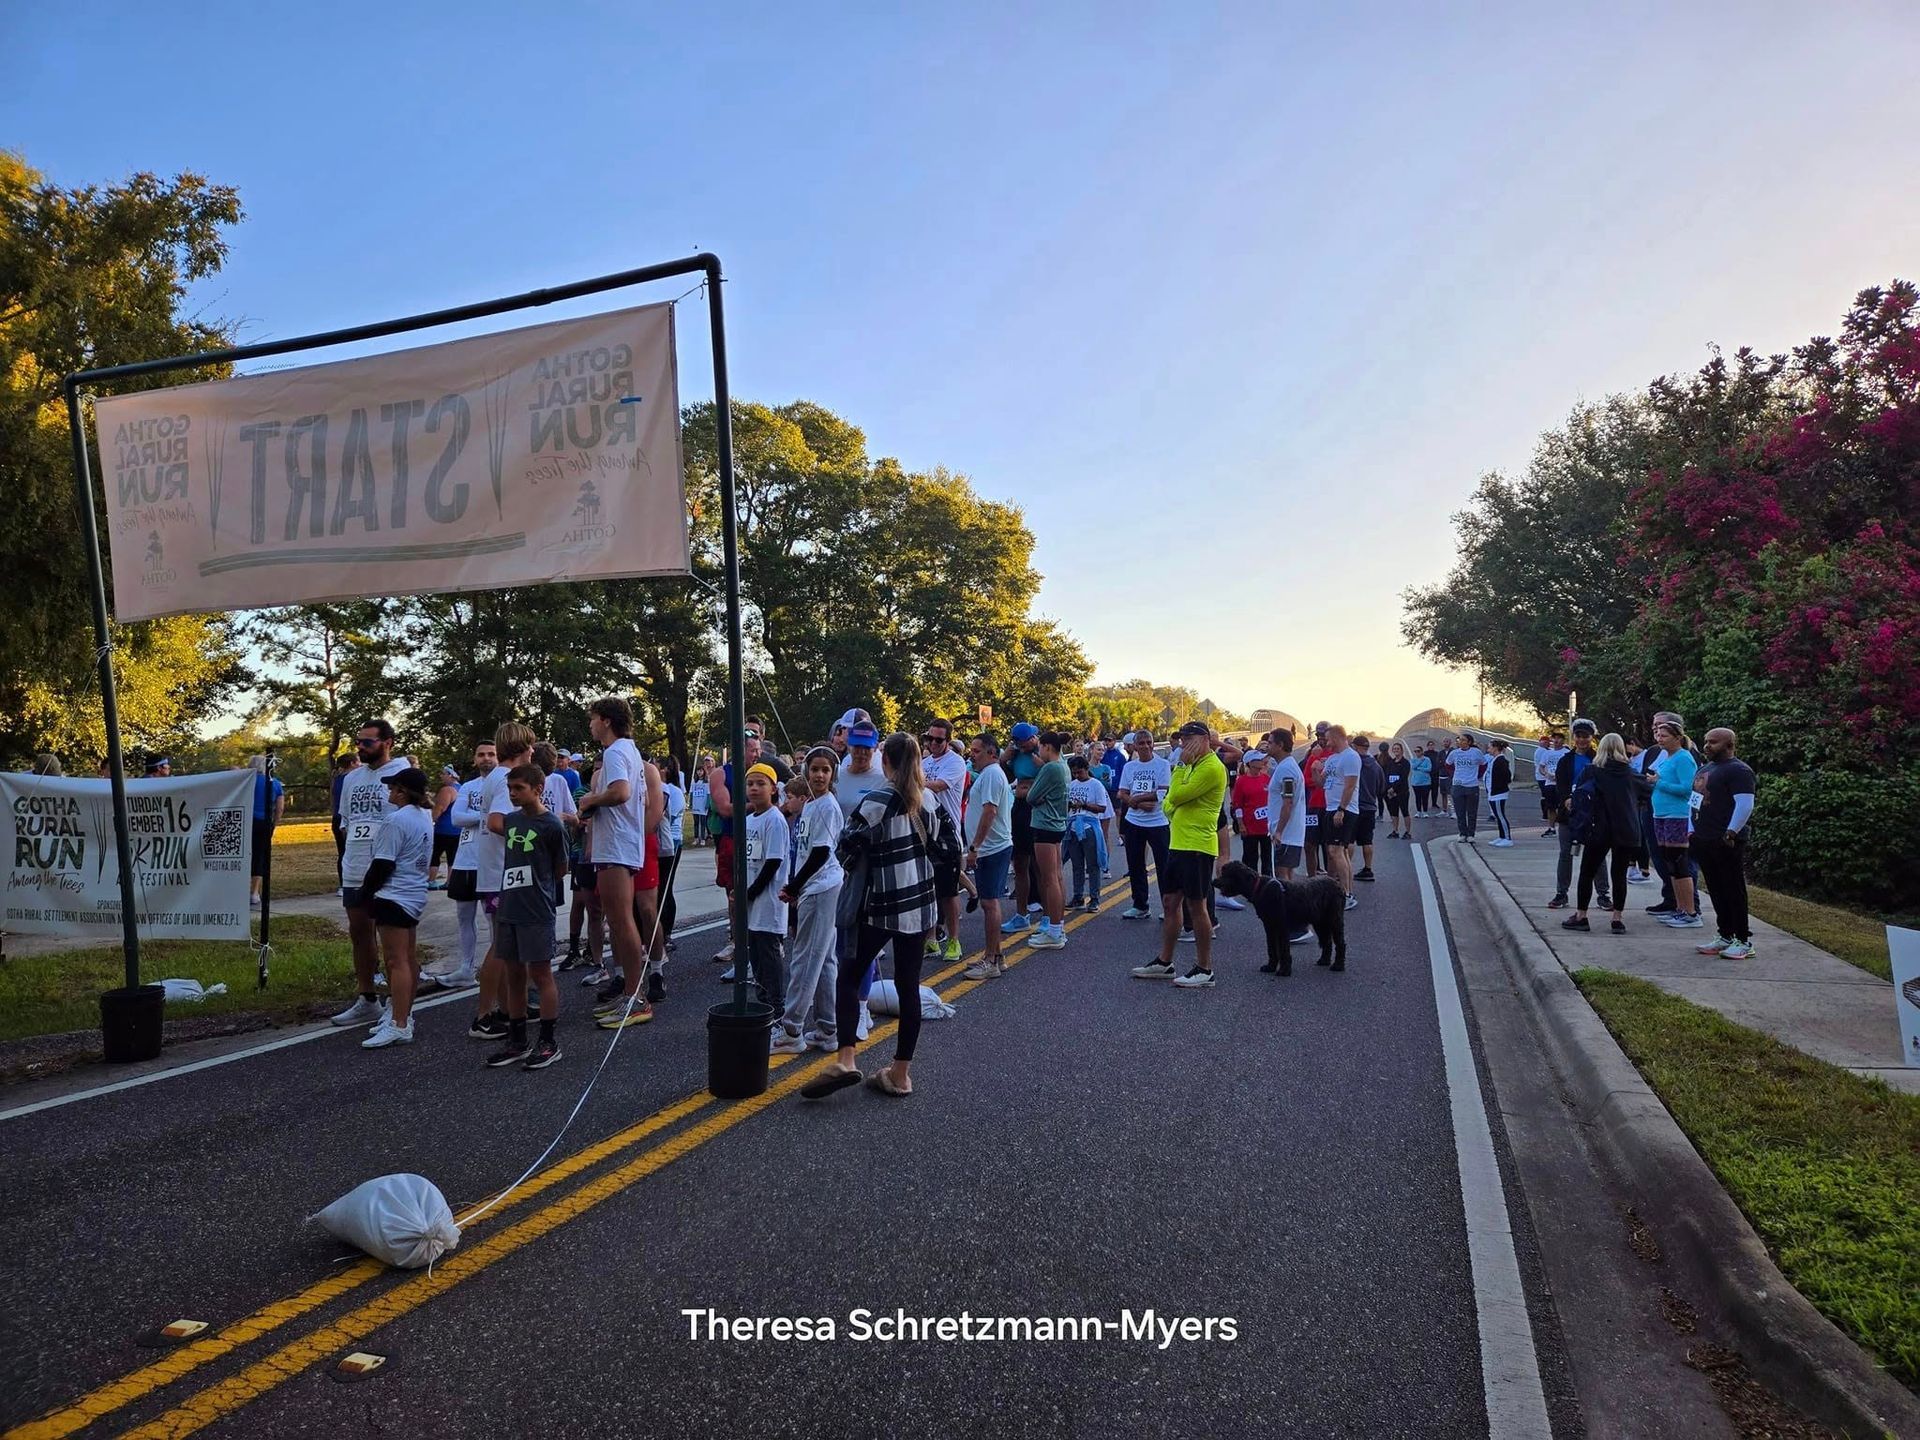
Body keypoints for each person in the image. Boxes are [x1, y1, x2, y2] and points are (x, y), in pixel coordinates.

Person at [802, 732, 947, 1100]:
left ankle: (847, 1059)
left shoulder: (877, 801)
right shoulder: (929, 800)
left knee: (850, 973)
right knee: (908, 985)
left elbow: (845, 850)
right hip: (920, 903)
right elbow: (950, 847)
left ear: (886, 762)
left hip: (881, 904)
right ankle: (900, 1073)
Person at [483, 763, 570, 1069]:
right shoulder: (511, 821)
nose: (513, 794)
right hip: (510, 906)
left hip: (536, 909)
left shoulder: (552, 825)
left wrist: (540, 881)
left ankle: (548, 1040)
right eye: (510, 789)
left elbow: (561, 868)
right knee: (514, 974)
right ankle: (517, 1039)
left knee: (540, 974)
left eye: (518, 788)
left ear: (538, 789)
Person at [576, 698, 655, 1029]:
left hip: (617, 847)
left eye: (593, 719)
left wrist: (591, 799)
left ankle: (636, 998)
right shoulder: (631, 751)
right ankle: (631, 993)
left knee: (621, 920)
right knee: (619, 919)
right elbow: (642, 798)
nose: (591, 725)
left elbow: (621, 792)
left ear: (606, 721)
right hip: (623, 843)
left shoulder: (614, 752)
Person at [1130, 721, 1228, 987]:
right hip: (1179, 843)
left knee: (1197, 907)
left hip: (1197, 846)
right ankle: (1165, 961)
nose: (1183, 744)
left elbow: (1177, 795)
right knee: (1170, 903)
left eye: (1189, 738)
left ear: (1205, 739)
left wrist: (1181, 769)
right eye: (1182, 739)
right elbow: (1170, 804)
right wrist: (1174, 799)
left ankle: (1204, 968)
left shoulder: (1210, 767)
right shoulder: (1194, 765)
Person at [330, 720, 410, 1029]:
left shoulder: (402, 771)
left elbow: (410, 819)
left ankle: (398, 1004)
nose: (360, 748)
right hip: (355, 866)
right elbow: (347, 821)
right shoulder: (351, 778)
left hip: (389, 868)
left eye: (368, 742)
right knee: (359, 932)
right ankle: (367, 999)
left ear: (388, 742)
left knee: (395, 943)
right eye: (358, 742)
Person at [356, 766, 434, 1049]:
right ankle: (404, 1015)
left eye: (392, 788)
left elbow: (383, 863)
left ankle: (399, 1023)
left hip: (395, 894)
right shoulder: (423, 816)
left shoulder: (395, 820)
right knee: (408, 958)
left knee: (395, 961)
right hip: (413, 892)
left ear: (402, 792)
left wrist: (366, 892)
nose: (389, 792)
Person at [774, 747, 845, 1052]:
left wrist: (794, 886)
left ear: (832, 775)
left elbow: (820, 853)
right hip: (813, 887)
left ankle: (792, 1029)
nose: (818, 775)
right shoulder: (811, 806)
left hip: (821, 887)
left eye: (825, 770)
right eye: (814, 769)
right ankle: (828, 1029)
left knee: (805, 958)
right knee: (825, 959)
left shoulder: (828, 806)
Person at [1690, 728, 1757, 960]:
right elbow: (1695, 803)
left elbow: (1745, 804)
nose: (1707, 746)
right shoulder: (1704, 769)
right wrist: (1691, 830)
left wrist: (1731, 831)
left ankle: (1743, 939)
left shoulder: (1739, 770)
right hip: (1703, 838)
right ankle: (1725, 934)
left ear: (1729, 745)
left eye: (1714, 742)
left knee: (1733, 889)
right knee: (1716, 889)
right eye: (1706, 741)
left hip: (1726, 840)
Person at [1559, 735, 1637, 935]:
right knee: (1619, 875)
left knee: (1587, 872)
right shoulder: (1630, 772)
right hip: (1625, 828)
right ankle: (1617, 919)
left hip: (1598, 827)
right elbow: (1644, 793)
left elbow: (1579, 797)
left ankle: (1581, 915)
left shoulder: (1592, 771)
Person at [962, 732, 1015, 981]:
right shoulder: (988, 775)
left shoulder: (992, 774)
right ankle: (996, 954)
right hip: (991, 847)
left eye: (977, 751)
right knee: (988, 901)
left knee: (989, 902)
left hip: (992, 848)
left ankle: (991, 960)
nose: (972, 755)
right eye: (971, 750)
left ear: (992, 753)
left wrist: (975, 847)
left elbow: (989, 812)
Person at [741, 763, 791, 1021]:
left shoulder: (774, 820)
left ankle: (776, 1007)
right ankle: (762, 1004)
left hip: (768, 899)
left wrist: (752, 891)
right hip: (750, 898)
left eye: (761, 784)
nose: (755, 789)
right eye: (750, 784)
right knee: (756, 956)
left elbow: (773, 862)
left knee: (769, 954)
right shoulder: (749, 820)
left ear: (773, 789)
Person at [920, 717, 969, 962]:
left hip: (946, 833)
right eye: (930, 738)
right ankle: (931, 939)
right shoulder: (924, 761)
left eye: (939, 740)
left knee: (949, 892)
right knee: (928, 890)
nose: (933, 743)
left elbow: (937, 786)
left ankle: (954, 940)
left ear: (948, 741)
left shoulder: (955, 762)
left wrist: (911, 784)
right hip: (924, 831)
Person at [1649, 718, 1702, 929]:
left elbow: (1687, 789)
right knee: (1669, 863)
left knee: (1679, 863)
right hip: (1661, 814)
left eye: (1664, 736)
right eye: (1658, 735)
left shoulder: (1683, 758)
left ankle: (1690, 912)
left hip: (1677, 815)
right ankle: (1679, 908)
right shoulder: (1666, 758)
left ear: (1678, 738)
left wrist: (1658, 782)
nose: (1659, 739)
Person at [1115, 730, 1172, 919]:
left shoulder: (1162, 765)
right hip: (1134, 821)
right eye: (1142, 743)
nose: (1146, 746)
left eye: (1149, 742)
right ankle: (1140, 905)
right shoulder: (1130, 767)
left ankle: (1168, 907)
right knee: (1136, 864)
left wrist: (1137, 799)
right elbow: (1121, 793)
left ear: (1153, 744)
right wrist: (1134, 802)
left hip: (1158, 822)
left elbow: (1163, 791)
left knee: (1164, 866)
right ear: (1136, 746)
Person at [1023, 731, 1072, 949]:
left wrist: (1036, 794)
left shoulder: (1050, 767)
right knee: (1058, 877)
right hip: (1058, 823)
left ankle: (1053, 931)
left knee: (1049, 878)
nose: (1038, 752)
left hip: (1044, 825)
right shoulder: (1064, 765)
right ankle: (1058, 926)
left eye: (1040, 747)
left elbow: (1032, 796)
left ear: (1047, 747)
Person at [1000, 722, 1044, 932]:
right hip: (1019, 807)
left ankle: (1048, 916)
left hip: (1037, 808)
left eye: (1024, 741)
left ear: (1034, 738)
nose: (1021, 745)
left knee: (1039, 865)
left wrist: (1037, 758)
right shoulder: (1016, 754)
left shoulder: (1043, 752)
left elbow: (1053, 774)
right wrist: (1005, 758)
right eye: (1017, 741)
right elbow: (1007, 776)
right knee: (1020, 862)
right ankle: (1021, 914)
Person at [1317, 725, 1362, 909]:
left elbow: (1350, 786)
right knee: (1338, 851)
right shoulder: (1333, 759)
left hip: (1343, 809)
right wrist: (1316, 770)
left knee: (1336, 851)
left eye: (1328, 739)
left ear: (1336, 738)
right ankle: (1347, 891)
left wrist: (1341, 809)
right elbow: (1321, 783)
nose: (1326, 743)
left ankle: (1346, 894)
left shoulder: (1351, 757)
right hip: (1330, 807)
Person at [1065, 755, 1113, 909]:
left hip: (1089, 826)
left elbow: (1102, 807)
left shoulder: (1096, 785)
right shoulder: (1071, 785)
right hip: (1073, 827)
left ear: (1087, 769)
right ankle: (1078, 897)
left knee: (1093, 865)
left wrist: (1084, 805)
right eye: (1074, 773)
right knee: (1077, 865)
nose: (1077, 775)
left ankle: (1094, 898)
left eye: (1080, 772)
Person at [1265, 727, 1309, 883]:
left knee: (1283, 875)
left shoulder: (1287, 769)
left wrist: (1279, 832)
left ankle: (1286, 906)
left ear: (1280, 745)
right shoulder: (1284, 767)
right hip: (1288, 832)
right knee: (1286, 875)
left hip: (1287, 833)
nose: (1267, 746)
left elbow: (1288, 802)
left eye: (1270, 743)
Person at [247, 754, 285, 908]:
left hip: (247, 821)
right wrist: (274, 823)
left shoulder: (247, 782)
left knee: (245, 855)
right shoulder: (275, 783)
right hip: (265, 823)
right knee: (260, 856)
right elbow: (280, 807)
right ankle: (254, 893)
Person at [1230, 750, 1273, 876]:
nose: (1262, 761)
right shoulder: (1241, 781)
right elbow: (1237, 805)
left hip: (1266, 827)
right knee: (1250, 858)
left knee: (1267, 858)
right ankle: (1250, 885)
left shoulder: (1266, 778)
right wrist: (1241, 824)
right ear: (1250, 763)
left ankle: (1267, 883)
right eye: (1259, 759)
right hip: (1250, 827)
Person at [1352, 735, 1383, 881]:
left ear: (1355, 746)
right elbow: (1381, 787)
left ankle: (1345, 868)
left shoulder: (1353, 763)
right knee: (1367, 840)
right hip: (1370, 806)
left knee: (1349, 840)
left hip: (1354, 806)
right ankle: (1368, 869)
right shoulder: (1376, 765)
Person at [1448, 733, 1487, 842]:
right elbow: (1448, 764)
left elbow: (1484, 764)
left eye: (1463, 740)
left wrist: (1478, 775)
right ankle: (1462, 833)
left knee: (1471, 812)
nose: (1460, 742)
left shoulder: (1476, 752)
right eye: (1459, 740)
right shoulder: (1454, 753)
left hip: (1472, 785)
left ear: (1469, 742)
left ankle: (1471, 834)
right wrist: (1453, 775)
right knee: (1460, 812)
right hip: (1458, 785)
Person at [428, 765, 461, 891]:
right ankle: (450, 882)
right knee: (452, 857)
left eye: (443, 774)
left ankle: (430, 881)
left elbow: (441, 808)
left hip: (443, 829)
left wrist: (431, 821)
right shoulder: (462, 788)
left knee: (435, 855)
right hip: (457, 829)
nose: (441, 776)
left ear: (450, 775)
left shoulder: (448, 790)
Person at [1486, 738, 1514, 846]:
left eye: (1490, 747)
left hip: (1498, 793)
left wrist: (1498, 786)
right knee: (1498, 816)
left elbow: (1506, 776)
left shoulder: (1501, 760)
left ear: (1496, 748)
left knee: (1501, 815)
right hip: (1493, 793)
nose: (1488, 749)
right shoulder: (1494, 760)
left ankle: (1507, 838)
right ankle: (1502, 836)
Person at [1535, 733, 1564, 837]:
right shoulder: (1547, 753)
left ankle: (1564, 828)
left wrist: (1561, 776)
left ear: (1563, 741)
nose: (1556, 741)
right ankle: (1551, 828)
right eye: (1554, 739)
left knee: (1563, 806)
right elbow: (1541, 767)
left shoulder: (1566, 753)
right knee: (1551, 807)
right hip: (1549, 783)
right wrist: (1546, 774)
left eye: (1559, 739)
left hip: (1562, 784)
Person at [1381, 742, 1411, 839]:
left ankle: (1407, 831)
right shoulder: (1391, 763)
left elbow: (1403, 777)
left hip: (1402, 792)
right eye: (1394, 749)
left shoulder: (1405, 763)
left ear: (1401, 750)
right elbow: (1387, 776)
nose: (1396, 750)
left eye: (1398, 749)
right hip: (1391, 793)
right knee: (1394, 812)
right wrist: (1389, 789)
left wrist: (1394, 788)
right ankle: (1395, 830)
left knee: (1405, 811)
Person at [689, 759, 711, 847]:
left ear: (704, 772)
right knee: (696, 822)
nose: (699, 772)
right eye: (698, 771)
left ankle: (702, 838)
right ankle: (696, 838)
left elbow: (708, 794)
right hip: (696, 805)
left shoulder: (706, 783)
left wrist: (707, 804)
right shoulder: (694, 782)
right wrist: (690, 802)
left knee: (703, 822)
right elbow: (691, 793)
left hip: (703, 805)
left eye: (701, 771)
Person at [1409, 743, 1433, 818]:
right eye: (1415, 751)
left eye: (1418, 751)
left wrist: (1419, 768)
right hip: (1416, 782)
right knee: (1417, 797)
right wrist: (1420, 762)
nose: (1417, 752)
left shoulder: (1427, 759)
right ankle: (1418, 811)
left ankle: (1425, 811)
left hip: (1426, 782)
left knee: (1425, 797)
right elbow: (1413, 767)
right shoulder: (1413, 760)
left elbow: (1428, 769)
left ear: (1422, 751)